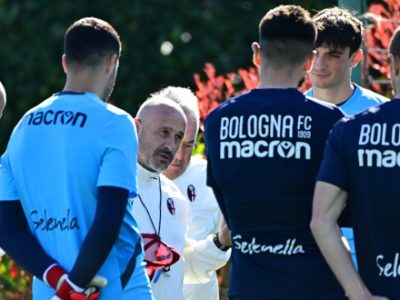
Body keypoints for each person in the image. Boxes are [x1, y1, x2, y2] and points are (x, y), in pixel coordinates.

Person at [0, 17, 152, 300]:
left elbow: (6, 226)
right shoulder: (115, 122)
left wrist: (58, 283)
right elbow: (109, 218)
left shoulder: (22, 127)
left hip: (51, 291)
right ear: (112, 63)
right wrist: (75, 287)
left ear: (64, 62)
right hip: (114, 289)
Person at [205, 5, 347, 299]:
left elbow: (227, 208)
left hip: (249, 287)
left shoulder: (218, 122)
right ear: (309, 61)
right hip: (315, 286)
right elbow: (343, 208)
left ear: (257, 53)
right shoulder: (330, 122)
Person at [310, 27, 400, 300]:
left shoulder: (351, 130)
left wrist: (359, 294)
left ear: (392, 64)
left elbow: (321, 221)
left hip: (379, 283)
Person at [305, 6, 389, 267]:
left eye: (332, 55)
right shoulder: (293, 114)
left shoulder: (383, 114)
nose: (319, 64)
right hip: (309, 257)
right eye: (314, 53)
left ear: (355, 58)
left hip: (372, 257)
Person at [131, 94, 231, 300]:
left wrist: (221, 241)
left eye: (179, 137)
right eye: (164, 132)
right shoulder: (103, 185)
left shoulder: (175, 198)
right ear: (136, 127)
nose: (172, 147)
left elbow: (182, 269)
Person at [159, 86, 226, 300]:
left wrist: (222, 241)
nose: (179, 155)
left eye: (188, 144)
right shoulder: (127, 180)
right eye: (175, 140)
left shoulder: (212, 178)